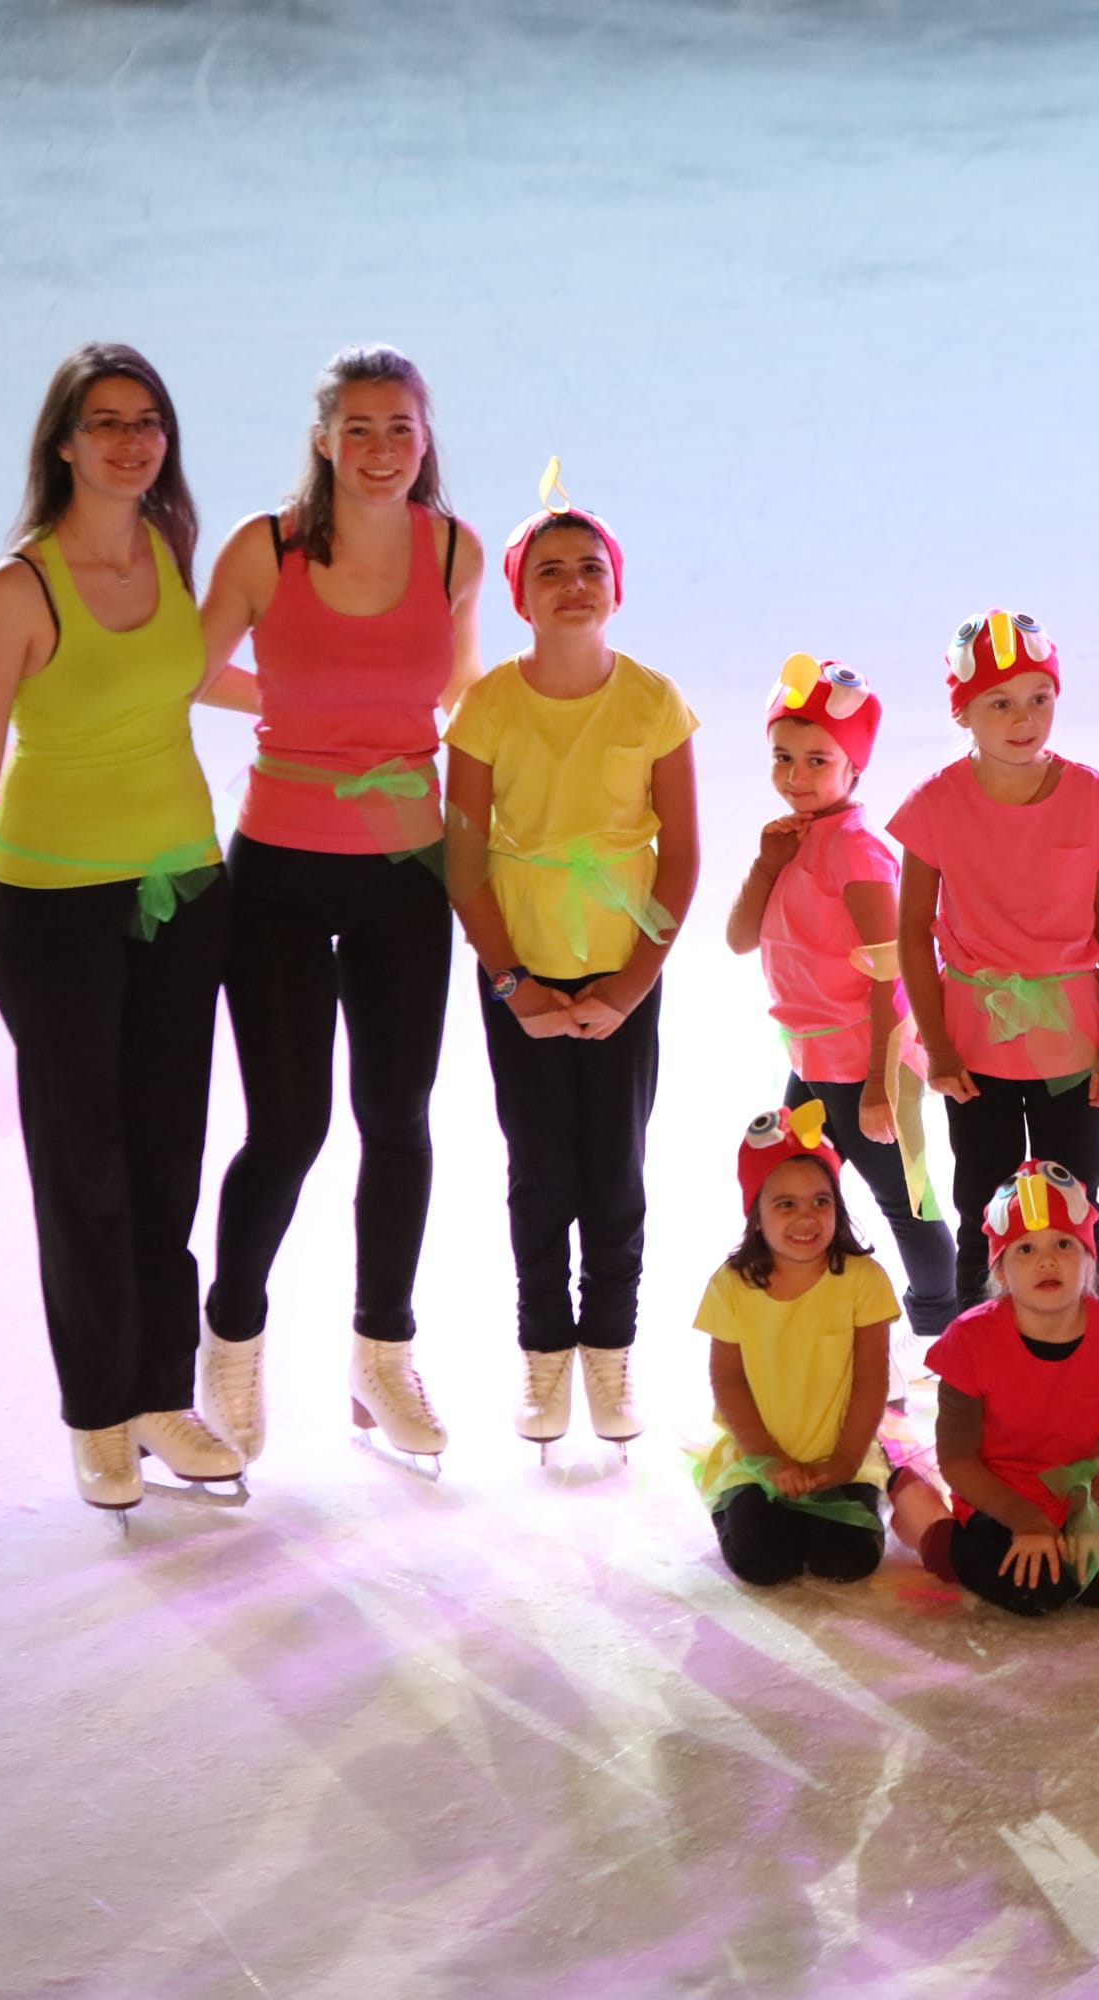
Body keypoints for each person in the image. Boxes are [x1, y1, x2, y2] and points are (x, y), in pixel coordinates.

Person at [0, 343, 241, 1508]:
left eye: (147, 420)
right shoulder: (16, 589)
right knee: (85, 1164)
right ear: (63, 442)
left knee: (168, 1154)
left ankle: (162, 1392)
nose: (130, 441)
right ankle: (100, 1411)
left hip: (184, 891)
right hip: (51, 905)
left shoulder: (168, 546)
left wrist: (347, 710)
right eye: (105, 422)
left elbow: (187, 676)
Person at [193, 345, 484, 1466]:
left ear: (425, 437)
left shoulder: (452, 550)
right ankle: (231, 1339)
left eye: (399, 427)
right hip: (277, 867)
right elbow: (187, 668)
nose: (379, 449)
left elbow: (458, 689)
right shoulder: (263, 547)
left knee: (398, 1118)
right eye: (356, 428)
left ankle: (381, 1354)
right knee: (288, 1127)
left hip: (405, 872)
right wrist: (290, 699)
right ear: (322, 439)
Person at [442, 478, 699, 1450]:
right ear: (519, 596)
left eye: (591, 567)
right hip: (522, 981)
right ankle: (544, 1354)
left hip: (623, 979)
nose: (573, 584)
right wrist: (513, 984)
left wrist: (630, 987)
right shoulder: (488, 706)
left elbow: (681, 857)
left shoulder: (653, 700)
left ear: (617, 587)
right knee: (540, 1172)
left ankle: (611, 1353)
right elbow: (464, 860)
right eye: (550, 571)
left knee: (616, 1174)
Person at [889, 610, 1099, 1308]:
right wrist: (937, 1046)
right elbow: (912, 932)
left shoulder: (1091, 796)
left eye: (1039, 698)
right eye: (1000, 703)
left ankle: (1096, 1348)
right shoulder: (934, 803)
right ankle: (977, 1350)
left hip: (1072, 1043)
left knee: (1077, 1201)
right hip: (974, 1047)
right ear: (963, 712)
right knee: (983, 1203)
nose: (1024, 719)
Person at [724, 654, 957, 1345]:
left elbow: (893, 972)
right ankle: (798, 1312)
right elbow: (739, 938)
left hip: (867, 1066)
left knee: (908, 1202)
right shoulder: (791, 842)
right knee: (784, 1189)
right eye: (782, 758)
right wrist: (766, 865)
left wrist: (882, 1085)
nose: (796, 777)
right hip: (813, 1061)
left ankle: (941, 1334)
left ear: (853, 768)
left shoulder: (856, 850)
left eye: (817, 761)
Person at [920, 1163, 1099, 1616]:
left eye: (1064, 1244)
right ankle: (928, 1520)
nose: (1047, 1260)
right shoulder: (968, 1340)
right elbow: (957, 1460)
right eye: (1025, 1248)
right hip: (1000, 1494)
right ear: (1001, 1271)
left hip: (1089, 1489)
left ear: (1089, 1260)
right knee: (1033, 1591)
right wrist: (1026, 1520)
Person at [693, 1106, 895, 1586]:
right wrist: (770, 1459)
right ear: (756, 1217)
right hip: (757, 1458)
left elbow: (872, 1379)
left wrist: (844, 1461)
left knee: (848, 1561)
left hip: (843, 1457)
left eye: (820, 1201)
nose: (806, 1217)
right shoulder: (731, 1285)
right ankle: (738, 1508)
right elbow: (728, 1380)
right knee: (762, 1562)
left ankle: (833, 1505)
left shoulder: (864, 1280)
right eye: (786, 1204)